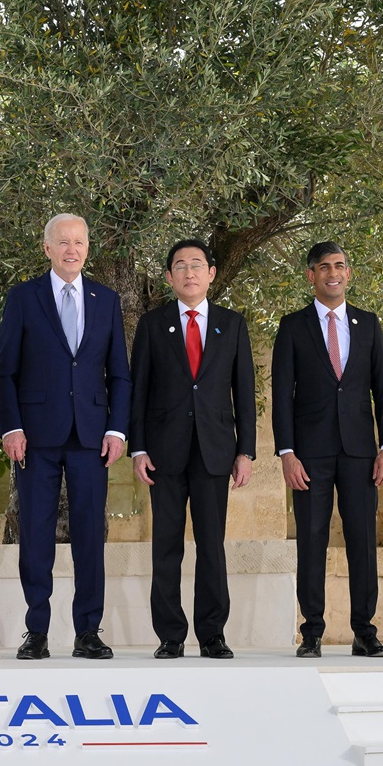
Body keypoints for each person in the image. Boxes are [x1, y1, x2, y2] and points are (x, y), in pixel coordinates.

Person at [0, 213, 130, 661]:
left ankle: (88, 631)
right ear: (46, 247)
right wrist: (11, 426)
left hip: (92, 436)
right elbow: (6, 371)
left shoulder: (106, 300)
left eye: (79, 242)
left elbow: (120, 375)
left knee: (91, 533)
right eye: (63, 242)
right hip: (35, 436)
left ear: (87, 248)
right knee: (35, 533)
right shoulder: (23, 298)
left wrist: (117, 428)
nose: (72, 249)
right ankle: (36, 631)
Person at [271, 241, 383, 659]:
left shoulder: (368, 323)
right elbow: (281, 395)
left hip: (361, 453)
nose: (332, 273)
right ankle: (311, 633)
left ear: (349, 272)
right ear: (311, 275)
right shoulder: (292, 326)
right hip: (309, 455)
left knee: (362, 540)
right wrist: (286, 453)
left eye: (340, 265)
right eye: (324, 266)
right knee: (311, 541)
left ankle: (364, 631)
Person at [130, 238, 255, 660]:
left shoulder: (232, 323)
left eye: (197, 265)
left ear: (211, 273)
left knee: (211, 544)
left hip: (215, 450)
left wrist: (246, 451)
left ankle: (212, 634)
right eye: (180, 265)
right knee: (166, 545)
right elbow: (139, 391)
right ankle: (170, 635)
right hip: (164, 452)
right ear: (169, 276)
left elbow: (245, 391)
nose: (189, 272)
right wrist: (138, 448)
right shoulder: (152, 324)